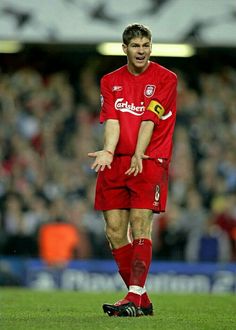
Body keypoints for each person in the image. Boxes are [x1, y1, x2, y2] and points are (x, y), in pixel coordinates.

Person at [88, 23, 177, 317]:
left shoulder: (166, 78)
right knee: (114, 232)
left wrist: (140, 152)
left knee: (140, 225)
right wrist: (109, 151)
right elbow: (112, 119)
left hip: (150, 159)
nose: (141, 51)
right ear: (124, 49)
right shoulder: (110, 81)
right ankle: (140, 299)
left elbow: (150, 119)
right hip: (117, 162)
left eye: (146, 45)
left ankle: (134, 297)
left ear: (151, 47)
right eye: (135, 46)